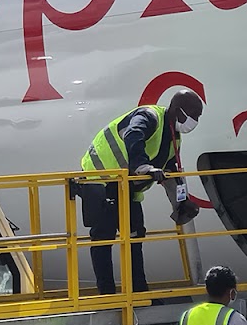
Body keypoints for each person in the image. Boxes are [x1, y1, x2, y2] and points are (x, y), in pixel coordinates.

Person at [77, 89, 204, 294]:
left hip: (126, 185)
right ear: (177, 110)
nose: (195, 121)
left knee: (135, 237)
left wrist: (181, 202)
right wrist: (143, 167)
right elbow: (133, 135)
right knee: (103, 238)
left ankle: (139, 293)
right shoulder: (149, 116)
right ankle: (108, 295)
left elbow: (172, 171)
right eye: (194, 115)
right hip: (99, 178)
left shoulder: (174, 135)